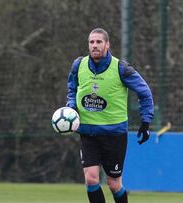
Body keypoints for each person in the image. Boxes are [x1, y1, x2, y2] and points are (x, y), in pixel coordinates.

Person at [66, 28, 154, 203]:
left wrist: (146, 121)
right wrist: (71, 107)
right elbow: (72, 88)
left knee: (114, 184)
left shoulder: (121, 68)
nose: (95, 46)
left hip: (114, 134)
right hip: (88, 132)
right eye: (91, 42)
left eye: (99, 42)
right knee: (91, 179)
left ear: (107, 44)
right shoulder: (79, 65)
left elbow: (145, 93)